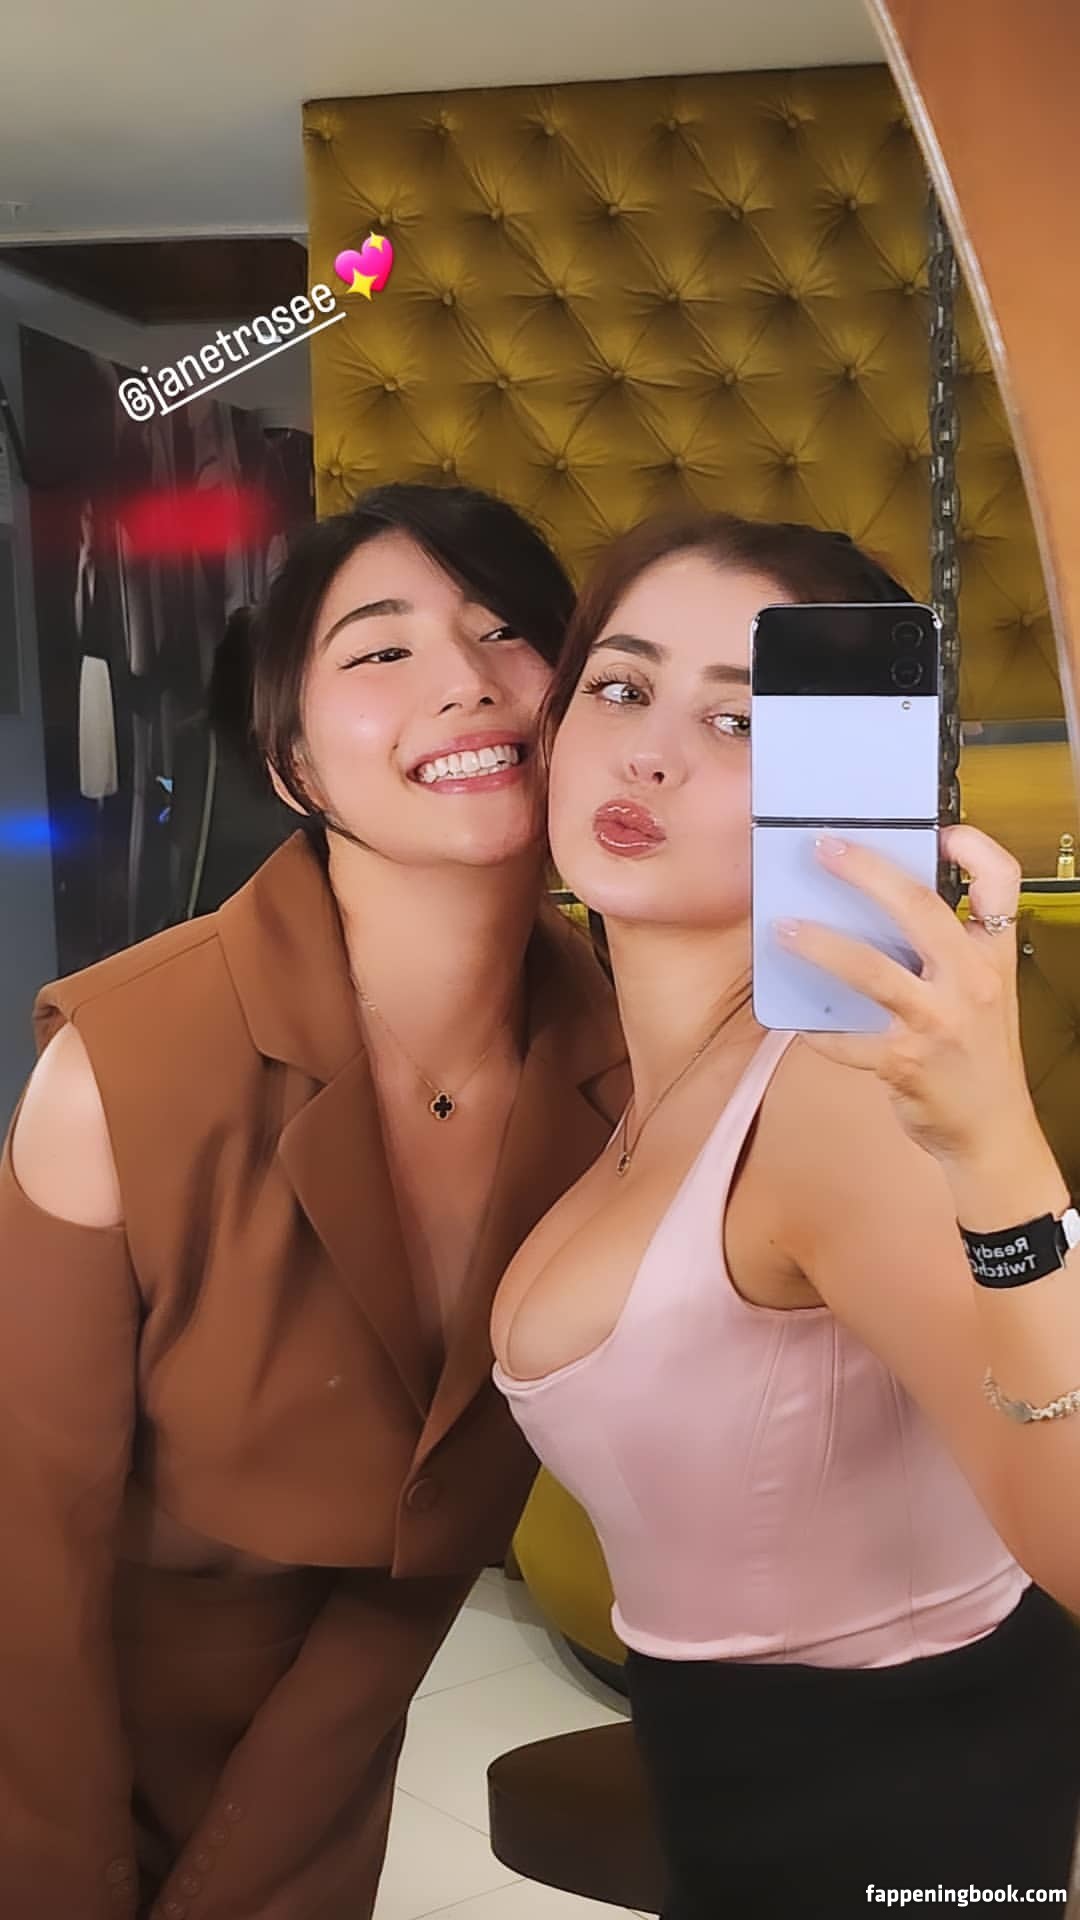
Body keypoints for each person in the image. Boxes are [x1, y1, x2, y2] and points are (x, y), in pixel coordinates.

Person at [0, 482, 626, 1920]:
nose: (466, 680)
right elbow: (26, 1550)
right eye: (382, 649)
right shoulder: (130, 1061)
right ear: (291, 764)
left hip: (342, 1715)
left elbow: (443, 1522)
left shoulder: (627, 1065)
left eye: (508, 633)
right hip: (62, 1720)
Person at [491, 511, 1080, 1916]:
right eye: (620, 687)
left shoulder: (831, 1096)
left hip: (903, 1814)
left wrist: (1000, 1156)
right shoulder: (631, 1076)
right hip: (735, 1794)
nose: (650, 754)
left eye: (742, 721)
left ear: (850, 783)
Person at [168, 605, 294, 921]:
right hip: (287, 875)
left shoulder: (197, 736)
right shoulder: (298, 733)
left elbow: (185, 832)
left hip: (217, 889)